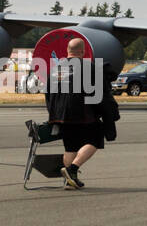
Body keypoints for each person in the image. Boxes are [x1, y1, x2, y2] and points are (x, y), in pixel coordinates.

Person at [46, 38, 117, 190]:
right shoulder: (90, 68)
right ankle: (72, 170)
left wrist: (54, 115)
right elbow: (101, 95)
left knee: (70, 147)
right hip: (83, 114)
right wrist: (108, 113)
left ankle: (70, 181)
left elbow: (48, 95)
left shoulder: (56, 69)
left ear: (67, 50)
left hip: (61, 116)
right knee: (96, 139)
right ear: (83, 51)